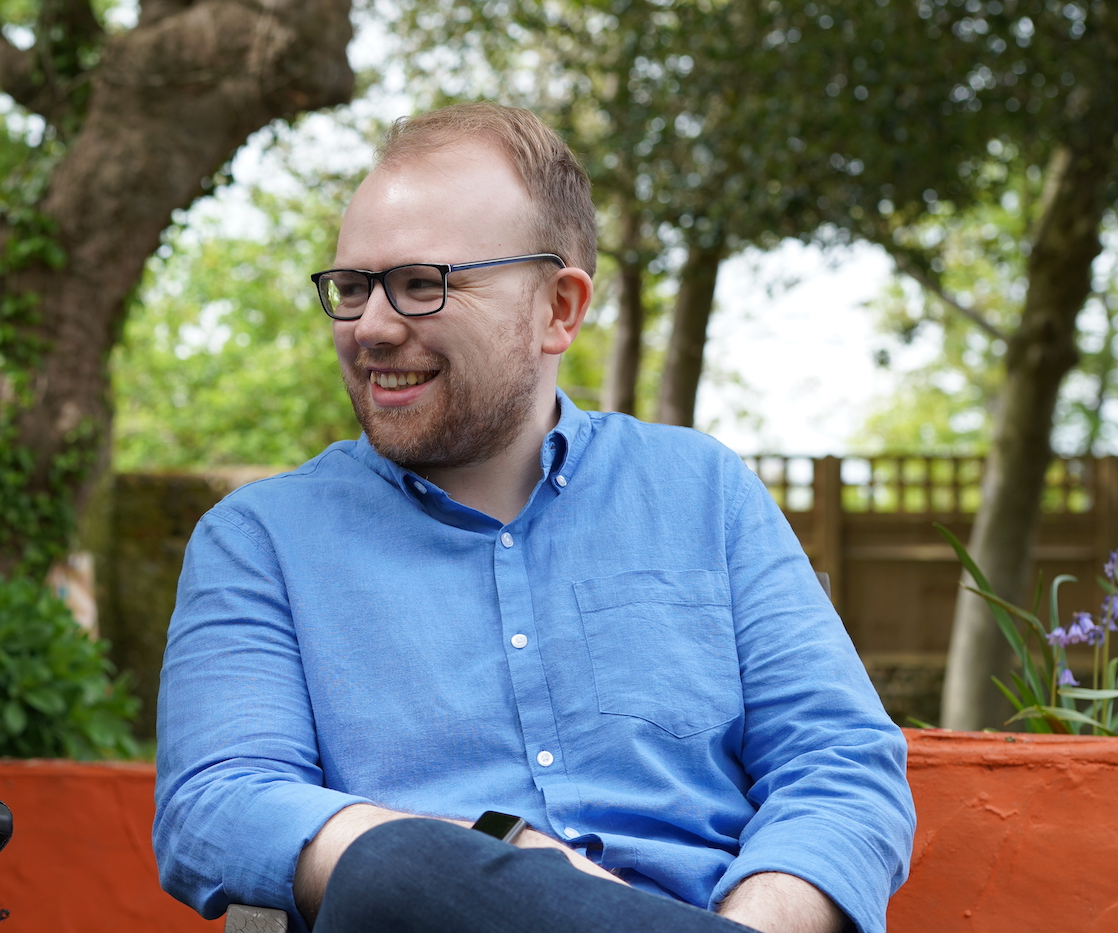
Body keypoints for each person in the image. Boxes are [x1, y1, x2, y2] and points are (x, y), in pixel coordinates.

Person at [151, 103, 914, 933]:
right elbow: (215, 803)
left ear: (559, 308)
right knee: (393, 866)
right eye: (352, 287)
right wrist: (487, 856)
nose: (370, 326)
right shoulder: (259, 540)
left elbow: (838, 766)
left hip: (705, 913)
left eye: (420, 283)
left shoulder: (702, 490)